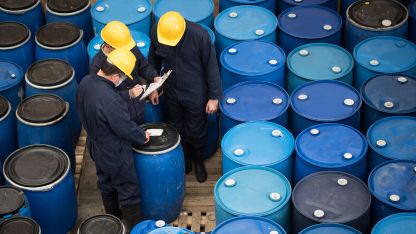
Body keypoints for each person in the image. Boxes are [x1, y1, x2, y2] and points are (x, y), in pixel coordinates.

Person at [76, 49, 149, 229]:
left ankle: (113, 220)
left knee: (105, 183)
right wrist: (141, 136)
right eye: (123, 77)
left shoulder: (86, 81)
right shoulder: (109, 99)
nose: (122, 80)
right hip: (114, 151)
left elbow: (99, 103)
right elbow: (123, 126)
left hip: (95, 145)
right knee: (128, 190)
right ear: (116, 75)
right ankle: (135, 228)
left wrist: (127, 95)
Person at [148, 12, 222, 183]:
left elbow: (212, 67)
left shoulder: (200, 36)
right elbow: (153, 62)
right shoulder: (157, 32)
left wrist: (214, 97)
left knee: (197, 129)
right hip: (171, 89)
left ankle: (198, 162)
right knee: (175, 126)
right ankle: (185, 160)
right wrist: (153, 87)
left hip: (195, 91)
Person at [90, 21, 161, 125]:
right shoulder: (97, 66)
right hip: (119, 113)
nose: (127, 51)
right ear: (109, 46)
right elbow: (103, 96)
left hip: (138, 104)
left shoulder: (128, 47)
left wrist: (154, 79)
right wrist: (128, 94)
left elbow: (143, 66)